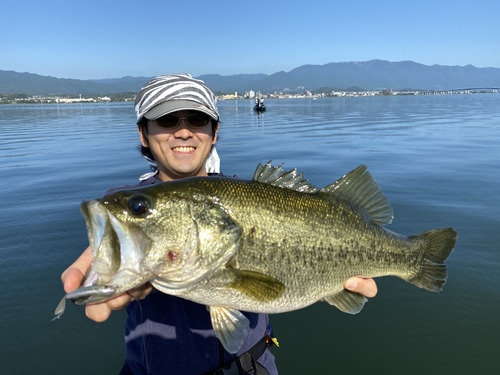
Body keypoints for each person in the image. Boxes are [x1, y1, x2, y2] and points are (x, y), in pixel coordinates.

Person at [61, 73, 378, 375]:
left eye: (197, 120)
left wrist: (326, 282)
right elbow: (107, 278)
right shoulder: (121, 204)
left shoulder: (247, 194)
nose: (183, 132)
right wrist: (105, 273)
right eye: (167, 119)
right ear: (143, 133)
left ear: (214, 132)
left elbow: (280, 283)